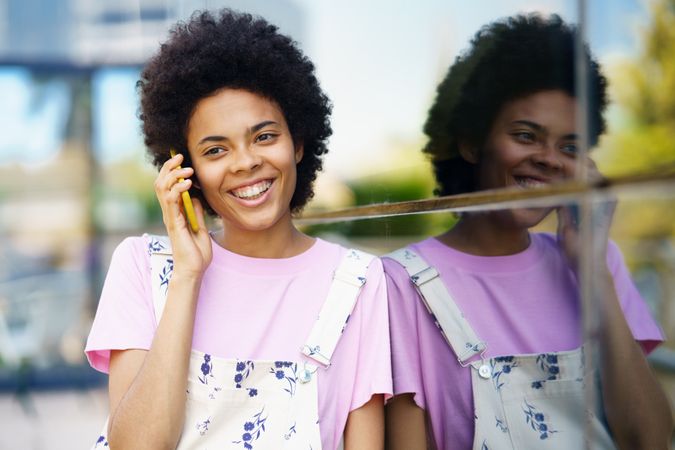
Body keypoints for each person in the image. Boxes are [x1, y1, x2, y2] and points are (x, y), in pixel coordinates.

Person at [85, 9, 390, 449]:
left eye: (264, 137)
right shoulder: (144, 267)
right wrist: (188, 277)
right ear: (186, 170)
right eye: (215, 150)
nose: (245, 162)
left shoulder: (360, 281)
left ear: (298, 141)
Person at [384, 14, 671, 450]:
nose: (550, 159)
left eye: (570, 147)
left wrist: (592, 271)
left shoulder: (600, 262)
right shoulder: (399, 283)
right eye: (526, 135)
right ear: (471, 143)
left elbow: (650, 440)